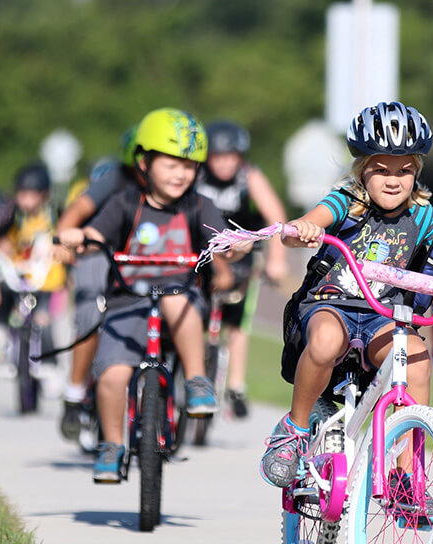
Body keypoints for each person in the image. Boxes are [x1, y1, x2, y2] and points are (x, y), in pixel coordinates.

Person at [259, 101, 433, 492]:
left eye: (404, 171)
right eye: (381, 170)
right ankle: (295, 428)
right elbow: (304, 226)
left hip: (383, 315)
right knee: (325, 341)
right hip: (332, 302)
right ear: (362, 170)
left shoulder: (423, 217)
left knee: (418, 362)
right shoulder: (345, 203)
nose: (393, 180)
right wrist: (301, 229)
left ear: (416, 172)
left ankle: (407, 477)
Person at [56, 108, 239, 483]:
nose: (180, 174)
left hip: (180, 306)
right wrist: (79, 239)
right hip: (128, 305)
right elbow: (97, 235)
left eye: (189, 166)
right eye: (170, 164)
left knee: (175, 295)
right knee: (111, 377)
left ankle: (196, 379)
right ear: (145, 162)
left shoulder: (199, 206)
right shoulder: (125, 202)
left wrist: (234, 248)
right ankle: (111, 445)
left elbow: (223, 240)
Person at [195, 120, 290, 418]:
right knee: (193, 312)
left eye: (230, 156)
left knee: (237, 321)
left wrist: (277, 260)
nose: (223, 163)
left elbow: (275, 217)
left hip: (242, 254)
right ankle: (192, 374)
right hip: (203, 254)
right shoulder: (195, 176)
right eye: (217, 157)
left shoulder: (249, 177)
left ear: (240, 156)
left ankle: (236, 385)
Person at [54, 128, 143, 443]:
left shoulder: (179, 183)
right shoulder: (115, 179)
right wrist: (64, 239)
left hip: (143, 259)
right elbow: (77, 212)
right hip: (98, 250)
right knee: (92, 313)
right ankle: (75, 394)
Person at [0, 162, 68, 363]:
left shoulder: (55, 215)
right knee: (4, 292)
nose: (24, 201)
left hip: (46, 277)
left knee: (42, 320)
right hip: (21, 273)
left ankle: (49, 366)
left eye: (30, 195)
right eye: (21, 194)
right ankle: (0, 330)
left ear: (44, 195)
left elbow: (68, 238)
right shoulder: (16, 215)